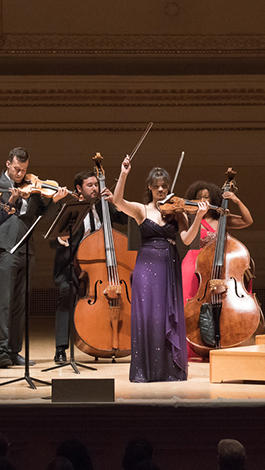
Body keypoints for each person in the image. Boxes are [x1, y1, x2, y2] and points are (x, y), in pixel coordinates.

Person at [0, 146, 71, 369]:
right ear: (8, 164)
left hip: (27, 248)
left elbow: (42, 217)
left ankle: (15, 350)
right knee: (5, 303)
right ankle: (2, 351)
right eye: (17, 169)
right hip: (6, 248)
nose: (20, 174)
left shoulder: (33, 187)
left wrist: (55, 201)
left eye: (24, 170)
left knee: (20, 304)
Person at [110, 156, 206, 382]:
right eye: (157, 187)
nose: (161, 190)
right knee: (148, 315)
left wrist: (199, 217)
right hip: (146, 266)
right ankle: (146, 369)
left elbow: (186, 239)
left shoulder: (177, 211)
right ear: (150, 188)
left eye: (164, 186)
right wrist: (123, 174)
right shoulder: (141, 210)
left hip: (168, 264)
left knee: (166, 315)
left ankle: (168, 369)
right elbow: (117, 201)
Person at [50, 168, 127, 364]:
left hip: (100, 269)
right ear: (79, 188)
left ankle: (106, 340)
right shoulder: (69, 208)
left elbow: (127, 219)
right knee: (67, 293)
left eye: (96, 184)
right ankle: (61, 349)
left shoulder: (104, 207)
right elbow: (53, 240)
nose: (95, 188)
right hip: (72, 265)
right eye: (90, 185)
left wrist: (116, 201)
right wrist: (61, 239)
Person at [179, 179, 254, 359]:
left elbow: (248, 220)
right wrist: (197, 213)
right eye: (199, 197)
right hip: (193, 262)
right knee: (190, 305)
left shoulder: (222, 219)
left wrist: (235, 200)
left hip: (217, 265)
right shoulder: (190, 217)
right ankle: (191, 345)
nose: (203, 200)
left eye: (207, 197)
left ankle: (221, 339)